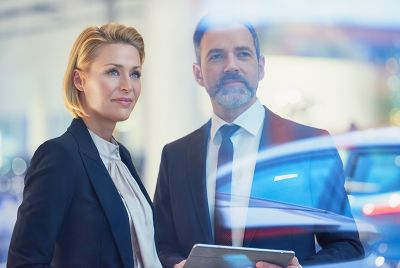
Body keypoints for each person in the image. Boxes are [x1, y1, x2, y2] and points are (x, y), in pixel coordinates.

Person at [153, 15, 364, 268]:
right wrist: (176, 265)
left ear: (261, 67)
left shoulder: (309, 147)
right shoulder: (175, 156)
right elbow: (160, 245)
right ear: (198, 73)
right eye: (217, 56)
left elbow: (347, 247)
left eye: (242, 54)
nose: (231, 66)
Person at [7, 23, 162, 268]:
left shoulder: (121, 156)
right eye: (113, 72)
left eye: (135, 73)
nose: (127, 85)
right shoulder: (60, 157)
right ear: (79, 80)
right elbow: (25, 261)